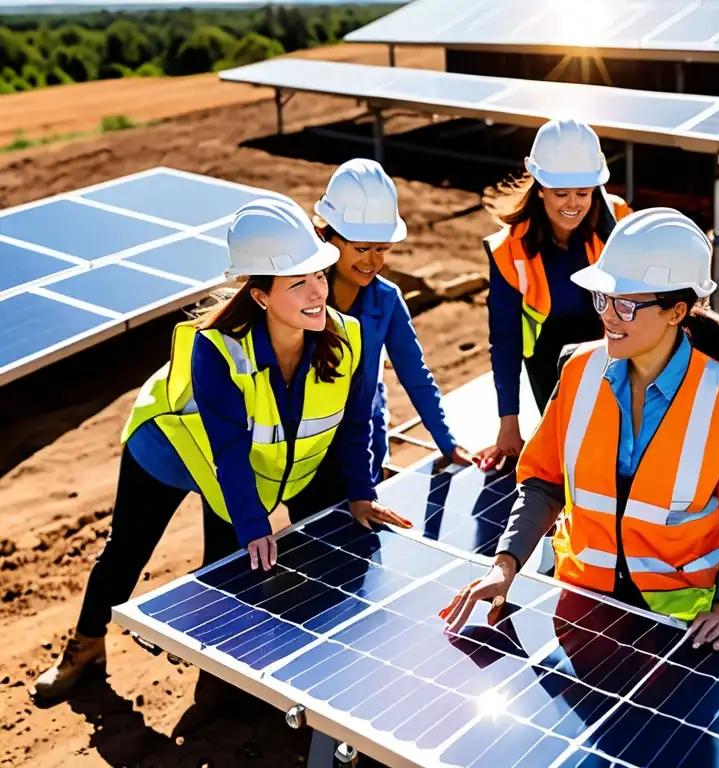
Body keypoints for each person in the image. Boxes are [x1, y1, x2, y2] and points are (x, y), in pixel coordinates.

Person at [34, 197, 410, 701]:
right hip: (171, 447)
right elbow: (229, 450)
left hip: (241, 462)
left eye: (319, 274)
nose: (318, 291)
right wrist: (255, 525)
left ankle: (218, 675)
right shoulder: (216, 351)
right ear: (259, 296)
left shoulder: (350, 338)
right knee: (128, 550)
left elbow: (355, 423)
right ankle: (84, 647)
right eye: (297, 282)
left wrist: (362, 492)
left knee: (231, 562)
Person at [441, 207, 719, 654]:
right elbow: (543, 482)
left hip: (694, 617)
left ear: (676, 311)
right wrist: (505, 565)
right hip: (594, 600)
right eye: (603, 300)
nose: (609, 317)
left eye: (625, 304)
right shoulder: (578, 370)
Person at [312, 158, 476, 483]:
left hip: (366, 444)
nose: (372, 261)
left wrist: (447, 442)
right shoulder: (301, 297)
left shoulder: (386, 299)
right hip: (312, 447)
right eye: (361, 248)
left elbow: (415, 375)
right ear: (326, 235)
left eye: (382, 249)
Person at [481, 118, 633, 466]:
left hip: (615, 348)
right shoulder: (509, 251)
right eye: (560, 193)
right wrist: (509, 424)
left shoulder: (620, 223)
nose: (573, 204)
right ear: (539, 187)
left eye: (583, 193)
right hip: (549, 364)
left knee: (621, 451)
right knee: (572, 455)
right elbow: (504, 340)